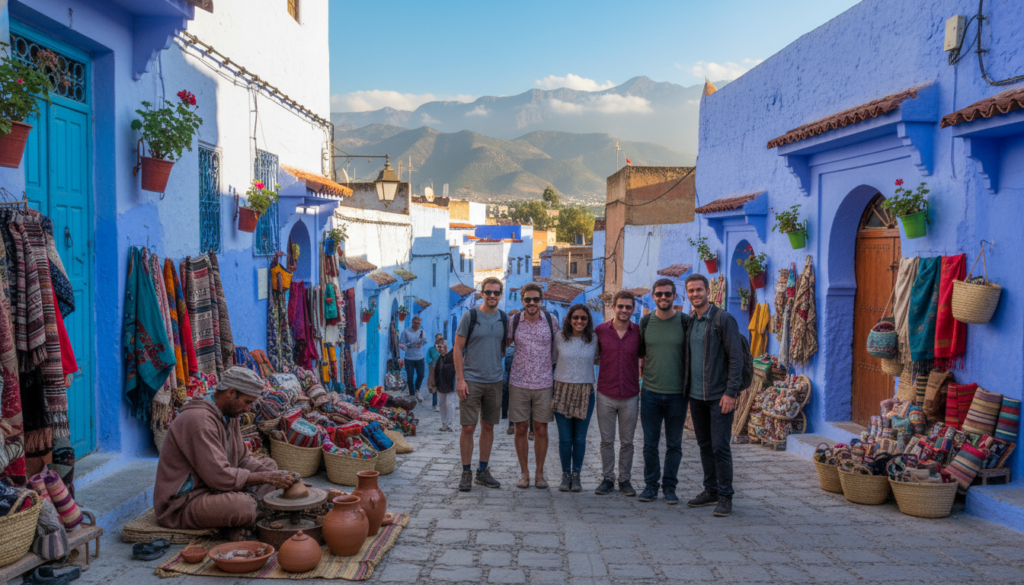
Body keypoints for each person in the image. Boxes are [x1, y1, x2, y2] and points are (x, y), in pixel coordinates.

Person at [154, 367, 298, 539]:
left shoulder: (230, 415)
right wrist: (267, 478)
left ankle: (241, 521)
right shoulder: (200, 420)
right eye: (247, 402)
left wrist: (280, 476)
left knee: (270, 466)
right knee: (244, 506)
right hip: (184, 503)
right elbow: (219, 477)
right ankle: (245, 517)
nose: (249, 409)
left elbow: (243, 459)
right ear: (230, 392)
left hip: (215, 489)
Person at [683, 274, 743, 517]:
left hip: (720, 396)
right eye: (691, 291)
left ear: (708, 291)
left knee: (720, 446)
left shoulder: (723, 319)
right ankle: (710, 490)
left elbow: (736, 358)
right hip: (697, 397)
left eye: (699, 290)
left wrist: (731, 392)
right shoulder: (690, 322)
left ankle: (726, 496)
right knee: (704, 445)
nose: (695, 294)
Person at [638, 278, 689, 504]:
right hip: (650, 392)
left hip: (678, 394)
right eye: (659, 294)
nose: (663, 298)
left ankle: (670, 487)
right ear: (653, 296)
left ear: (675, 296)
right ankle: (650, 486)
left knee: (674, 444)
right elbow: (639, 352)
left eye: (667, 294)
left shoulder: (685, 321)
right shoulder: (646, 322)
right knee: (649, 444)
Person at [454, 277, 508, 491]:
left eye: (496, 293)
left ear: (500, 295)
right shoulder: (471, 316)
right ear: (482, 294)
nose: (492, 296)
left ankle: (482, 471)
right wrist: (460, 379)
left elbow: (505, 345)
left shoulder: (504, 318)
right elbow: (458, 348)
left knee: (488, 426)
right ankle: (466, 472)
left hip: (495, 381)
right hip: (471, 380)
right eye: (488, 292)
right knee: (468, 427)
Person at [507, 282, 557, 489]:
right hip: (518, 382)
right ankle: (524, 473)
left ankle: (539, 474)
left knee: (541, 430)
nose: (532, 303)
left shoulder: (550, 320)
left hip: (544, 383)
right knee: (520, 429)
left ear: (541, 301)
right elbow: (504, 344)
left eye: (536, 299)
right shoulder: (514, 321)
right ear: (522, 301)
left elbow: (557, 347)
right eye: (528, 299)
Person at [593, 290, 641, 497]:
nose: (624, 310)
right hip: (606, 392)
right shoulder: (600, 331)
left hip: (630, 393)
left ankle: (625, 480)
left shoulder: (639, 332)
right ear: (612, 307)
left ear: (633, 309)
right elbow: (594, 356)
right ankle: (607, 478)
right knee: (606, 440)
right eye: (620, 306)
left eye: (628, 307)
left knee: (628, 442)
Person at [552, 304, 598, 492]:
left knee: (579, 438)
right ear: (569, 319)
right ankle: (565, 475)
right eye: (576, 317)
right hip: (561, 389)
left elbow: (600, 359)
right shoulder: (559, 338)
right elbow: (553, 359)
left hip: (585, 391)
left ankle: (577, 475)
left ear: (588, 321)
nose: (579, 321)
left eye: (583, 318)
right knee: (564, 439)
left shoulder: (594, 339)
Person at [399, 316, 428, 402]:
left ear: (420, 323)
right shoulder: (406, 331)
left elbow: (424, 342)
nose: (416, 325)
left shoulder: (422, 331)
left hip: (420, 357)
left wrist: (423, 341)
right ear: (412, 322)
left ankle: (417, 390)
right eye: (415, 323)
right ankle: (412, 394)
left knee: (421, 375)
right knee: (410, 377)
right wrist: (406, 347)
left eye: (418, 323)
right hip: (409, 358)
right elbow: (401, 343)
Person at [427, 334, 447, 415]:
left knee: (442, 386)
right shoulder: (431, 349)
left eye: (441, 338)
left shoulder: (444, 348)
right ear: (435, 339)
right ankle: (435, 404)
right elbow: (428, 357)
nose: (439, 339)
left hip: (442, 369)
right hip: (434, 369)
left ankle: (442, 404)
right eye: (438, 338)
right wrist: (430, 362)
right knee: (434, 386)